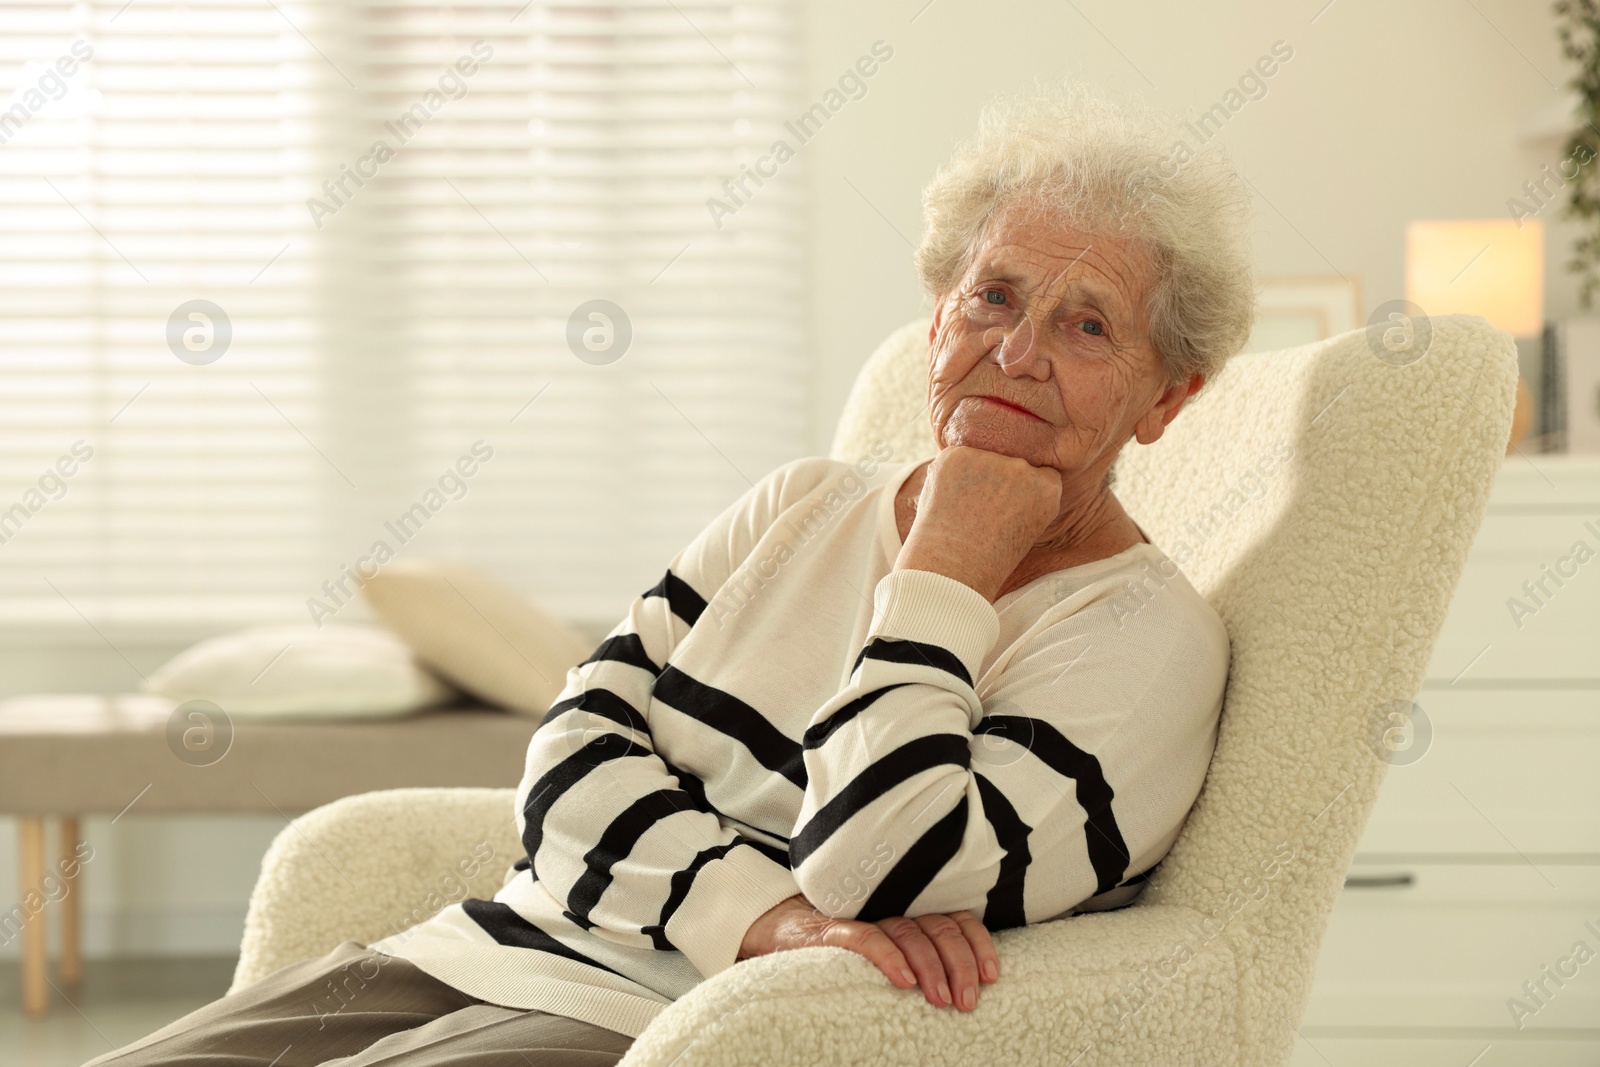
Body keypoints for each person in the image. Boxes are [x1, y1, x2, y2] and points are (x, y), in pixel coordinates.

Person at [87, 78, 1252, 1066]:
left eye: (1088, 325)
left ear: (1167, 398)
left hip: (684, 1028)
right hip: (480, 945)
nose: (1015, 350)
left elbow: (880, 866)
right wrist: (765, 913)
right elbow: (572, 751)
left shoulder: (1145, 643)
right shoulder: (803, 502)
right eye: (992, 295)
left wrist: (946, 564)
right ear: (937, 314)